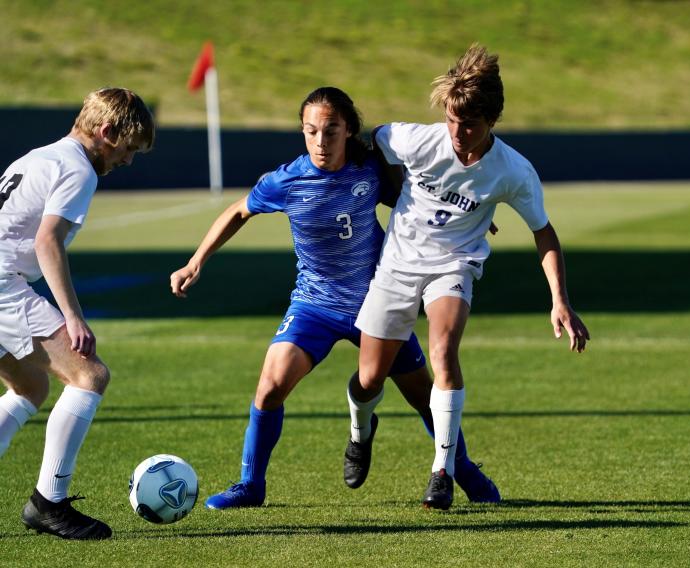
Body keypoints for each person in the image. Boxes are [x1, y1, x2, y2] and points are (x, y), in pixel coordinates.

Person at [170, 86, 499, 510]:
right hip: (315, 304)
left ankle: (465, 471)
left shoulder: (369, 170)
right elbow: (237, 211)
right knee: (270, 387)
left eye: (330, 131)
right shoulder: (287, 180)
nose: (320, 142)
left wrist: (466, 219)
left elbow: (417, 204)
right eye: (311, 132)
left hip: (379, 303)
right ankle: (251, 485)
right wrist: (196, 261)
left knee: (424, 396)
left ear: (348, 131)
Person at [346, 44, 591, 510]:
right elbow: (370, 140)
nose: (459, 132)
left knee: (443, 350)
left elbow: (544, 232)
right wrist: (389, 191)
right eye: (453, 120)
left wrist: (559, 299)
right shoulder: (417, 139)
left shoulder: (514, 172)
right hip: (397, 263)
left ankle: (442, 471)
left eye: (471, 124)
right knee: (370, 378)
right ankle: (360, 431)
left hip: (454, 264)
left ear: (493, 120)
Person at [0, 88, 154, 539]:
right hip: (3, 286)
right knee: (90, 375)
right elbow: (47, 241)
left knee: (29, 386)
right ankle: (49, 503)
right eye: (127, 149)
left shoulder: (37, 156)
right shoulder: (78, 169)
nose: (126, 161)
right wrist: (73, 316)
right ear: (106, 132)